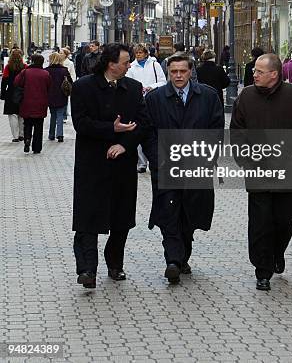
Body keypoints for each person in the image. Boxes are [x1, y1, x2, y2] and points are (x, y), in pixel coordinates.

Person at [70, 43, 156, 289]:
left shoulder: (133, 88)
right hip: (92, 163)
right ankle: (87, 269)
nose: (130, 65)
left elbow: (143, 123)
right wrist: (111, 128)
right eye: (126, 62)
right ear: (111, 63)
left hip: (122, 164)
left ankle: (115, 263)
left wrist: (124, 145)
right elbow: (81, 123)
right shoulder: (84, 86)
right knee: (89, 217)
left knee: (121, 217)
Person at [230, 53, 292, 292]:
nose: (253, 74)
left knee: (285, 219)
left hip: (287, 171)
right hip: (257, 171)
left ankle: (278, 251)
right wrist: (245, 159)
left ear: (274, 74)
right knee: (260, 223)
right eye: (254, 71)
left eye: (259, 71)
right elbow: (237, 131)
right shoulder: (246, 96)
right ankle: (262, 270)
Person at [145, 52, 224, 284]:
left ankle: (182, 256)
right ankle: (173, 260)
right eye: (173, 72)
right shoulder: (156, 98)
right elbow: (147, 132)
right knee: (168, 213)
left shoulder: (208, 97)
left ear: (191, 72)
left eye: (182, 71)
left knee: (189, 214)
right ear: (168, 72)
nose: (178, 76)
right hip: (166, 166)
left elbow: (216, 130)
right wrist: (156, 158)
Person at [126, 44, 167, 173]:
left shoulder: (155, 65)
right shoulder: (131, 67)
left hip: (153, 100)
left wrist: (151, 87)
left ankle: (154, 159)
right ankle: (142, 163)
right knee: (138, 129)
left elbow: (163, 81)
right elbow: (129, 82)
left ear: (146, 53)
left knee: (154, 129)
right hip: (138, 101)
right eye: (136, 53)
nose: (138, 55)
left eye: (140, 52)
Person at [15, 53, 51, 154]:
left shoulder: (25, 72)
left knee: (27, 124)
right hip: (41, 103)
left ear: (32, 61)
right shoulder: (45, 74)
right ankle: (37, 147)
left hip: (27, 102)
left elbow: (16, 82)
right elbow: (49, 86)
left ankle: (27, 139)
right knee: (39, 126)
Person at [45, 52, 73, 142]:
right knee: (60, 114)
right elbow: (70, 82)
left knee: (53, 115)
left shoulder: (46, 70)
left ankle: (51, 134)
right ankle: (60, 135)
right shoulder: (64, 70)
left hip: (50, 95)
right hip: (62, 95)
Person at [1, 49, 27, 142]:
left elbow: (4, 81)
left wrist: (2, 94)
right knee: (22, 114)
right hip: (22, 92)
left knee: (12, 115)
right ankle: (22, 134)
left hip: (11, 93)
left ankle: (15, 136)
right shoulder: (25, 67)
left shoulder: (8, 67)